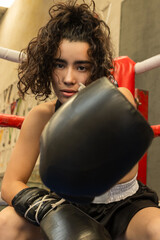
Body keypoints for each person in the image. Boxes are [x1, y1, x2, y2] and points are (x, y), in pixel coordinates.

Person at [0, 0, 160, 239]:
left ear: (95, 68)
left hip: (125, 208)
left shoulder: (119, 99)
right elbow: (10, 184)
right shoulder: (41, 116)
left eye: (81, 67)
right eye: (59, 64)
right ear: (47, 65)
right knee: (6, 222)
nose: (68, 78)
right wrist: (48, 209)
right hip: (65, 209)